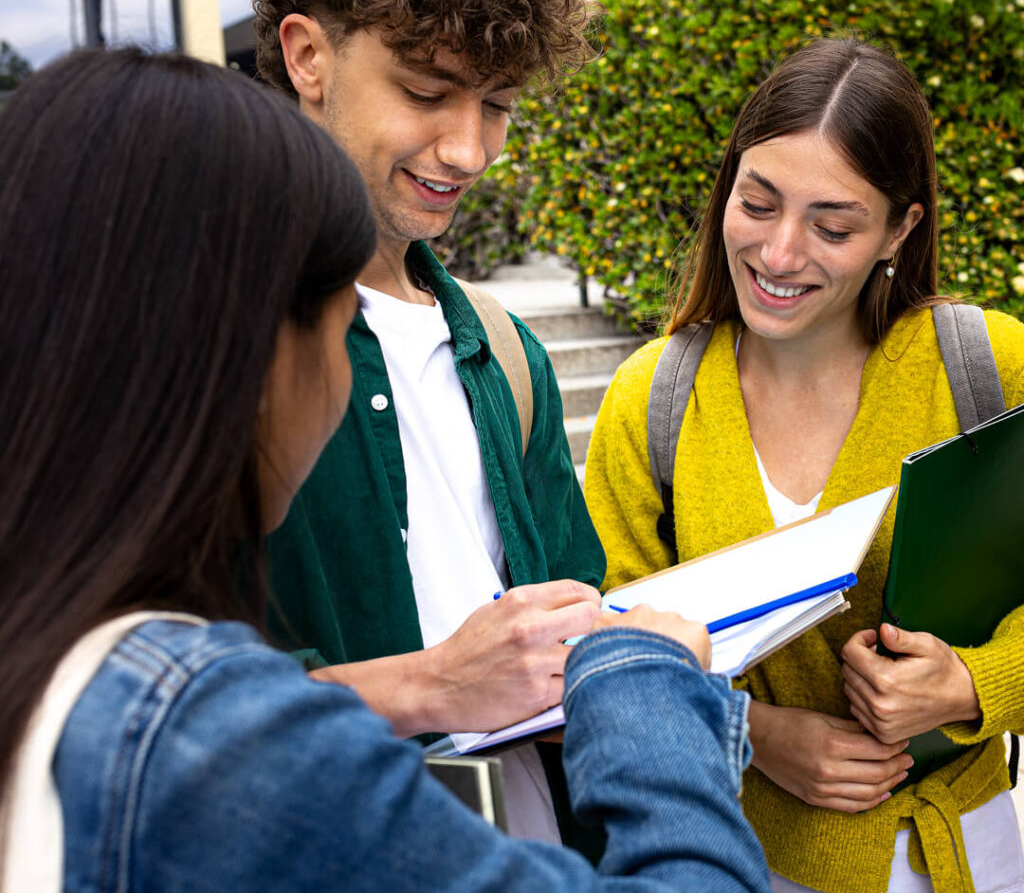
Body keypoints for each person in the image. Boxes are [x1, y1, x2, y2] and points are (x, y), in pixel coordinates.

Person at [0, 46, 770, 892]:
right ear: (243, 357)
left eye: (499, 105)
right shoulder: (220, 745)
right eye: (339, 330)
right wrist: (646, 690)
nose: (467, 150)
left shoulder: (67, 654)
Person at [584, 38, 1024, 893]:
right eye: (758, 204)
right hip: (739, 861)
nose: (780, 255)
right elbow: (607, 653)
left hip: (971, 854)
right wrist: (752, 731)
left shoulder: (989, 367)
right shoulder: (653, 400)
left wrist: (975, 683)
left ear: (900, 229)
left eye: (833, 226)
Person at [253, 0, 605, 845]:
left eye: (497, 104)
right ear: (307, 55)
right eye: (425, 91)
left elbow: (579, 598)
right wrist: (427, 686)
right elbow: (132, 685)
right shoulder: (210, 345)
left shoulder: (506, 349)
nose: (468, 150)